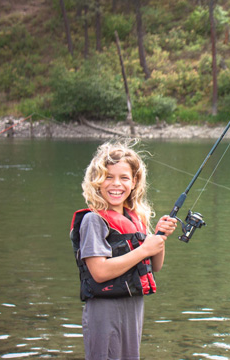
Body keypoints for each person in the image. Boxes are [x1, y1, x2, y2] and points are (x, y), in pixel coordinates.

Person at [69, 140, 177, 359]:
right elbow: (99, 272)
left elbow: (155, 266)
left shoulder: (135, 218)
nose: (115, 184)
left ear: (134, 181)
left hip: (133, 308)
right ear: (96, 180)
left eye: (124, 177)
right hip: (104, 311)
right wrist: (144, 249)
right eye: (108, 177)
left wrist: (158, 238)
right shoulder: (93, 220)